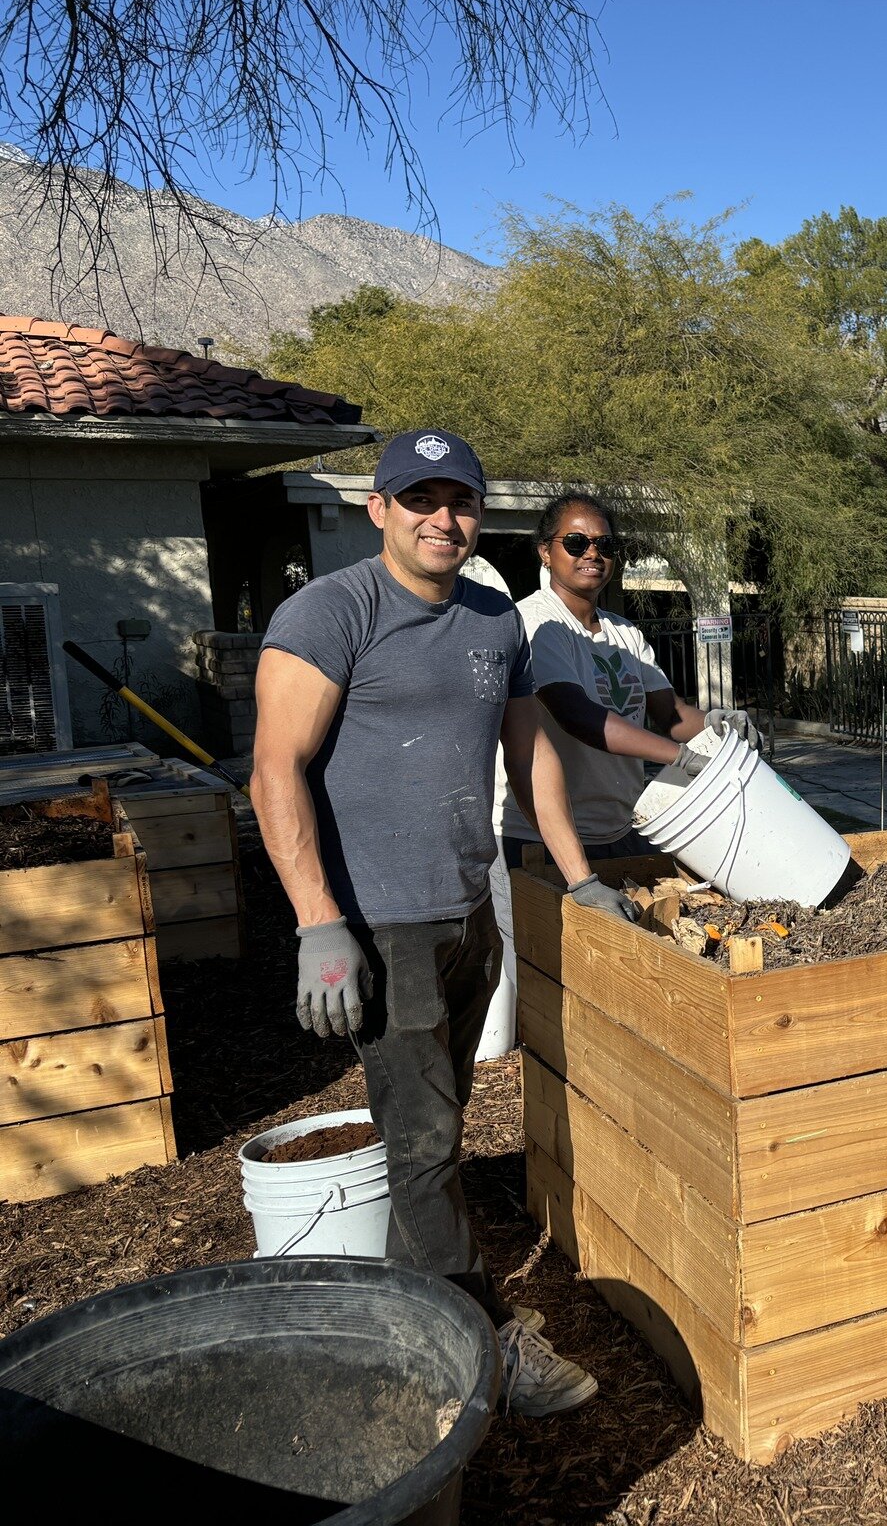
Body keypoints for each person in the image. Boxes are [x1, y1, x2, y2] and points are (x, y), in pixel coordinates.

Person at [251, 429, 640, 1418]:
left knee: (432, 1129)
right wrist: (317, 923)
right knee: (424, 1150)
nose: (441, 518)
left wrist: (577, 874)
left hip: (468, 913)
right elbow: (274, 771)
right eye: (417, 499)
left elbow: (531, 753)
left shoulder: (490, 619)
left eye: (458, 500)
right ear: (376, 508)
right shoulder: (330, 612)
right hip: (384, 927)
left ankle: (397, 1330)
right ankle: (480, 1356)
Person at [482, 493, 757, 1045]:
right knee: (541, 976)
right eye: (576, 542)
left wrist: (717, 728)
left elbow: (669, 712)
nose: (593, 554)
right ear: (545, 551)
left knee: (619, 974)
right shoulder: (534, 625)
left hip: (621, 828)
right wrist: (676, 755)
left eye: (605, 544)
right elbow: (578, 715)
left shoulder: (624, 634)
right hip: (540, 838)